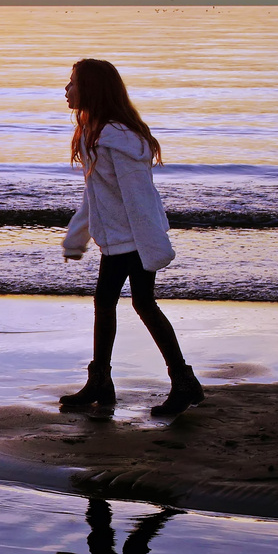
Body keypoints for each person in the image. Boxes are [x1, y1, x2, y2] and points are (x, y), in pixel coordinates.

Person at [58, 58, 204, 418]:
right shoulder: (95, 133)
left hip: (136, 240)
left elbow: (139, 199)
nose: (66, 89)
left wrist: (152, 246)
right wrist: (76, 239)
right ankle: (103, 381)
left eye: (72, 82)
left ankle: (180, 381)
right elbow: (95, 197)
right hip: (122, 240)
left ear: (92, 88)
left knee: (136, 304)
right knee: (113, 303)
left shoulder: (117, 140)